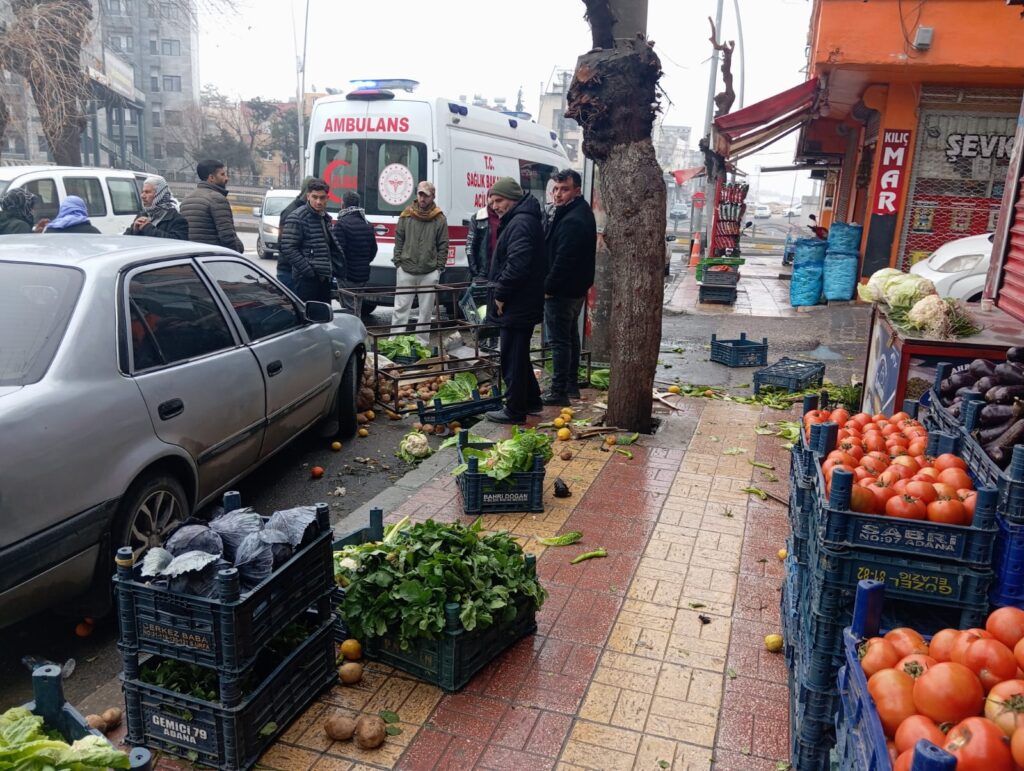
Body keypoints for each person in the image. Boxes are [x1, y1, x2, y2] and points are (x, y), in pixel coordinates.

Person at [483, 177, 546, 424]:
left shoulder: (520, 223)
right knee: (518, 355)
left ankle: (515, 410)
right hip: (524, 300)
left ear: (513, 198)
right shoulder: (522, 219)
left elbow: (518, 264)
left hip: (518, 302)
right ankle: (531, 400)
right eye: (492, 201)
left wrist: (501, 294)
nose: (495, 206)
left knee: (512, 356)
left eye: (498, 200)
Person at [542, 168, 596, 406]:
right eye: (555, 189)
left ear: (577, 190)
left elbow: (564, 259)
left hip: (563, 290)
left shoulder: (574, 218)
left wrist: (548, 286)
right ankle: (571, 385)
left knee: (559, 341)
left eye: (564, 189)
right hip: (574, 289)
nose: (558, 194)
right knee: (570, 337)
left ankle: (559, 390)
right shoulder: (575, 211)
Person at [392, 181, 448, 338]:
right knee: (400, 309)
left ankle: (421, 342)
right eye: (420, 194)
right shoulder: (406, 214)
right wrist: (398, 263)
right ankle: (394, 340)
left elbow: (443, 244)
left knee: (426, 311)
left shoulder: (439, 218)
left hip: (429, 271)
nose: (422, 198)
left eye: (426, 195)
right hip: (406, 269)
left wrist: (438, 269)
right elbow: (399, 239)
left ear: (433, 197)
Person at [280, 179, 343, 303]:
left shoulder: (325, 217)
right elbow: (288, 247)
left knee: (324, 316)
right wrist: (308, 271)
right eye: (315, 197)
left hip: (324, 279)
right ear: (308, 196)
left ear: (327, 198)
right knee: (309, 317)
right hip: (306, 280)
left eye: (322, 198)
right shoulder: (297, 217)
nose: (318, 201)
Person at [180, 159, 244, 253]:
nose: (226, 178)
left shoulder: (186, 200)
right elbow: (227, 236)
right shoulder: (217, 199)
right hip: (213, 258)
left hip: (193, 258)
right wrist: (237, 254)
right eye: (222, 175)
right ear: (211, 178)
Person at [332, 191, 378, 314]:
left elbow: (338, 252)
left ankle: (354, 331)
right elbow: (373, 250)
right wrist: (363, 262)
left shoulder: (341, 224)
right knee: (357, 305)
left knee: (349, 308)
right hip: (362, 274)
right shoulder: (367, 224)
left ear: (343, 204)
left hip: (347, 274)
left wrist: (339, 270)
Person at [276, 176, 317, 290]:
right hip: (289, 273)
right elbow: (283, 245)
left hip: (301, 274)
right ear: (307, 193)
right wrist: (307, 269)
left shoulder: (312, 212)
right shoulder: (290, 212)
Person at [124, 175, 188, 240]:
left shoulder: (177, 220)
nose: (142, 196)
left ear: (160, 194)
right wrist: (134, 230)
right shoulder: (142, 215)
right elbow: (125, 240)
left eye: (147, 192)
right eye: (142, 192)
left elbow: (177, 243)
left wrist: (147, 228)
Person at [466, 197, 499, 281]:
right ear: (487, 198)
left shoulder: (506, 217)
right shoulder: (478, 217)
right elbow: (469, 246)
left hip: (500, 272)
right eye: (490, 197)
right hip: (483, 273)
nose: (493, 200)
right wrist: (476, 273)